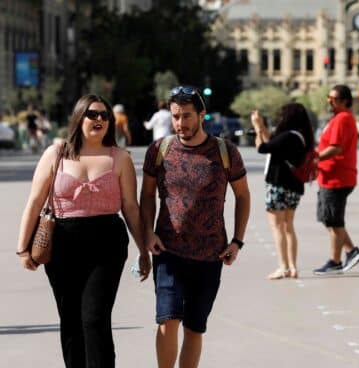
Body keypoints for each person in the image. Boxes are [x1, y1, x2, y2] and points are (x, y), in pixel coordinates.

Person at [16, 94, 151, 368]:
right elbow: (34, 201)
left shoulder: (120, 157)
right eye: (92, 114)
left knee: (95, 317)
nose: (99, 119)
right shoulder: (56, 153)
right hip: (62, 243)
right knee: (71, 319)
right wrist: (23, 248)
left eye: (104, 115)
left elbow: (131, 207)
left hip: (107, 243)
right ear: (79, 118)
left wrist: (143, 249)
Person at [140, 86, 250, 368]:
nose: (180, 123)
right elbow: (147, 195)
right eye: (176, 116)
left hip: (210, 254)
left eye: (187, 116)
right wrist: (148, 233)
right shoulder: (160, 150)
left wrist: (237, 241)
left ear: (202, 114)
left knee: (194, 327)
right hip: (168, 250)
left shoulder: (225, 152)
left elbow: (243, 196)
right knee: (167, 319)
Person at [251, 103, 315, 279]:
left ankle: (283, 267)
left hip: (278, 185)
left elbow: (262, 147)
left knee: (276, 226)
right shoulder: (300, 137)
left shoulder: (287, 136)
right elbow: (272, 140)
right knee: (288, 226)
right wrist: (262, 126)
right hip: (295, 187)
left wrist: (257, 129)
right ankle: (293, 267)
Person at [312, 84, 359, 275]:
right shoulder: (339, 118)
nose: (329, 101)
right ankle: (351, 251)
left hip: (337, 178)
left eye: (333, 98)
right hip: (330, 177)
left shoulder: (342, 119)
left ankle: (335, 261)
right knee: (329, 219)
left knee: (334, 220)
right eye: (329, 97)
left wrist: (314, 158)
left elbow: (336, 148)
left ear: (344, 101)